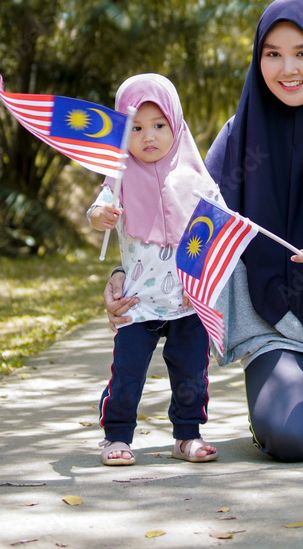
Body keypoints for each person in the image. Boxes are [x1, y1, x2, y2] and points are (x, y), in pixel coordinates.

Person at [105, 0, 303, 462]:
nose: (287, 68)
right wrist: (124, 275)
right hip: (278, 326)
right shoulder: (239, 137)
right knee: (288, 437)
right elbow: (184, 225)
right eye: (272, 53)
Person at [89, 73, 218, 465]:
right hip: (137, 301)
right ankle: (116, 436)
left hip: (186, 300)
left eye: (159, 126)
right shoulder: (120, 174)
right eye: (137, 127)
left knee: (191, 375)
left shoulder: (196, 176)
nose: (149, 136)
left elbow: (214, 225)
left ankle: (187, 435)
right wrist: (102, 216)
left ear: (176, 124)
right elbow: (97, 209)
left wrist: (202, 278)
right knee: (127, 374)